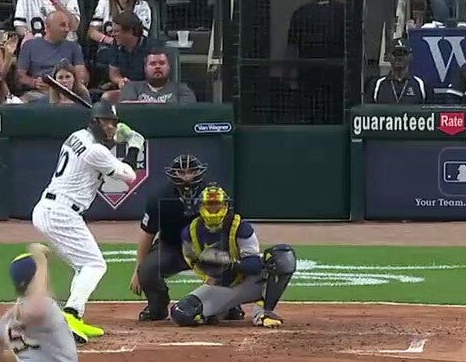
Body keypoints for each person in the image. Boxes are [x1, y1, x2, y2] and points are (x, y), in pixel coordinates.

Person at [32, 101, 144, 343]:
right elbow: (129, 176)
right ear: (94, 122)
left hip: (51, 208)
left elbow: (103, 153)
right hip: (61, 212)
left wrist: (116, 140)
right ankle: (71, 316)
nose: (111, 128)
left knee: (84, 266)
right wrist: (134, 145)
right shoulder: (96, 151)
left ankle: (76, 316)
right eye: (106, 123)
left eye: (113, 123)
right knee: (95, 265)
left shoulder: (77, 136)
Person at [169, 185, 297, 329]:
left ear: (226, 206)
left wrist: (229, 264)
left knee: (283, 257)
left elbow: (254, 265)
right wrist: (210, 274)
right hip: (221, 284)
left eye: (217, 205)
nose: (213, 209)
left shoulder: (241, 228)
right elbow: (194, 262)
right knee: (181, 313)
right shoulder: (190, 232)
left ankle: (264, 311)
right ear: (201, 207)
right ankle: (224, 309)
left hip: (250, 281)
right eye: (209, 205)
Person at [133, 154, 238, 323]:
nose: (187, 176)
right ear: (173, 173)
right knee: (147, 271)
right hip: (172, 247)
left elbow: (230, 230)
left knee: (229, 264)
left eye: (191, 171)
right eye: (182, 172)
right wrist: (137, 270)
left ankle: (229, 304)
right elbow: (147, 233)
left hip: (206, 248)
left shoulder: (214, 195)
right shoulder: (158, 197)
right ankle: (157, 307)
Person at [16, 10, 85, 100]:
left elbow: (82, 77)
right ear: (48, 26)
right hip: (38, 93)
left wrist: (68, 82)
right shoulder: (30, 45)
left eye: (68, 25)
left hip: (66, 93)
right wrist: (34, 82)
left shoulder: (74, 47)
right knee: (20, 103)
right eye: (62, 25)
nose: (67, 29)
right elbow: (19, 77)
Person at [95, 11, 158, 91]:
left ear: (130, 31)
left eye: (116, 31)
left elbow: (157, 79)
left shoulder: (152, 49)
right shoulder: (115, 44)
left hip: (149, 91)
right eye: (112, 31)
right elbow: (114, 73)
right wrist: (120, 81)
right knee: (107, 97)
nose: (112, 35)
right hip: (126, 90)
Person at [118, 50, 197, 103]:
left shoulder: (182, 89)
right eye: (153, 64)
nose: (157, 67)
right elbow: (127, 110)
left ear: (169, 67)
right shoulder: (132, 87)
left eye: (162, 63)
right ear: (145, 68)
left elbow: (187, 113)